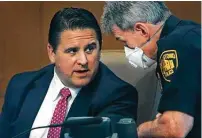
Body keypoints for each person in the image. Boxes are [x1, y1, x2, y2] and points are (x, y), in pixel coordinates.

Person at [0, 7, 138, 138]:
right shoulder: (21, 86)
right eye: (72, 51)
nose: (83, 60)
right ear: (52, 53)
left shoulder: (119, 95)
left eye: (90, 49)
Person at [101, 1, 201, 138]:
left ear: (142, 30)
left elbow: (174, 128)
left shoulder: (174, 46)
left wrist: (140, 130)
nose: (127, 49)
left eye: (124, 42)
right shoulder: (190, 34)